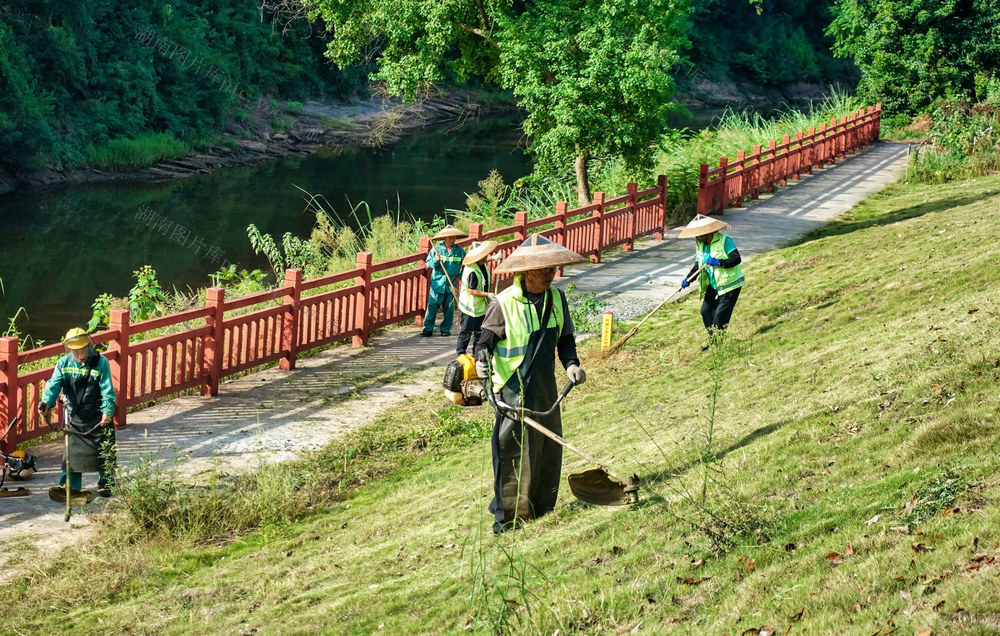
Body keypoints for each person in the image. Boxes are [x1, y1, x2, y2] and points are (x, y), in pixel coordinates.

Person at [474, 235, 588, 534]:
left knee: (547, 448)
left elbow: (565, 339)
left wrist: (572, 364)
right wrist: (484, 377)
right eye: (545, 270)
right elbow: (482, 345)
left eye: (553, 268)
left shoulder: (557, 299)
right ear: (525, 271)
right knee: (513, 451)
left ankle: (541, 508)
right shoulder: (503, 303)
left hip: (545, 385)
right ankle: (508, 517)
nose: (552, 274)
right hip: (512, 388)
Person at [38, 328, 117, 498]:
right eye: (75, 350)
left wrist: (107, 412)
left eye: (83, 349)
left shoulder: (101, 362)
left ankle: (106, 483)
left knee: (104, 451)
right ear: (69, 349)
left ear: (89, 345)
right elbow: (53, 385)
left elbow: (107, 390)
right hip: (75, 415)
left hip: (98, 416)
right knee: (71, 455)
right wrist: (47, 402)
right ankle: (69, 487)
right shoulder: (63, 364)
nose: (80, 353)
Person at [678, 215, 745, 347]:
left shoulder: (725, 241)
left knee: (719, 317)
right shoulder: (700, 245)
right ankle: (713, 339)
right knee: (705, 312)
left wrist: (718, 262)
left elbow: (736, 259)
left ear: (709, 232)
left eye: (701, 235)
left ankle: (717, 345)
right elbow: (698, 266)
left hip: (730, 285)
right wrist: (688, 279)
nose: (699, 238)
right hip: (714, 284)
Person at [456, 240, 500, 356]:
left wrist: (494, 257)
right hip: (470, 307)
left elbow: (485, 261)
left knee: (480, 333)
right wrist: (488, 294)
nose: (486, 258)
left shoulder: (480, 263)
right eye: (483, 256)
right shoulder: (471, 271)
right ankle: (461, 354)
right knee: (466, 332)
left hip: (481, 307)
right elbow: (472, 290)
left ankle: (477, 354)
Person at [422, 225, 467, 337]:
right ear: (445, 238)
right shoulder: (437, 249)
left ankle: (445, 329)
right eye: (450, 238)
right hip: (438, 282)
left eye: (454, 238)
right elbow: (428, 264)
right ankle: (428, 328)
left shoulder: (460, 251)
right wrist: (436, 260)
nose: (453, 240)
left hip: (451, 283)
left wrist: (460, 276)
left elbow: (466, 265)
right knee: (433, 305)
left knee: (449, 307)